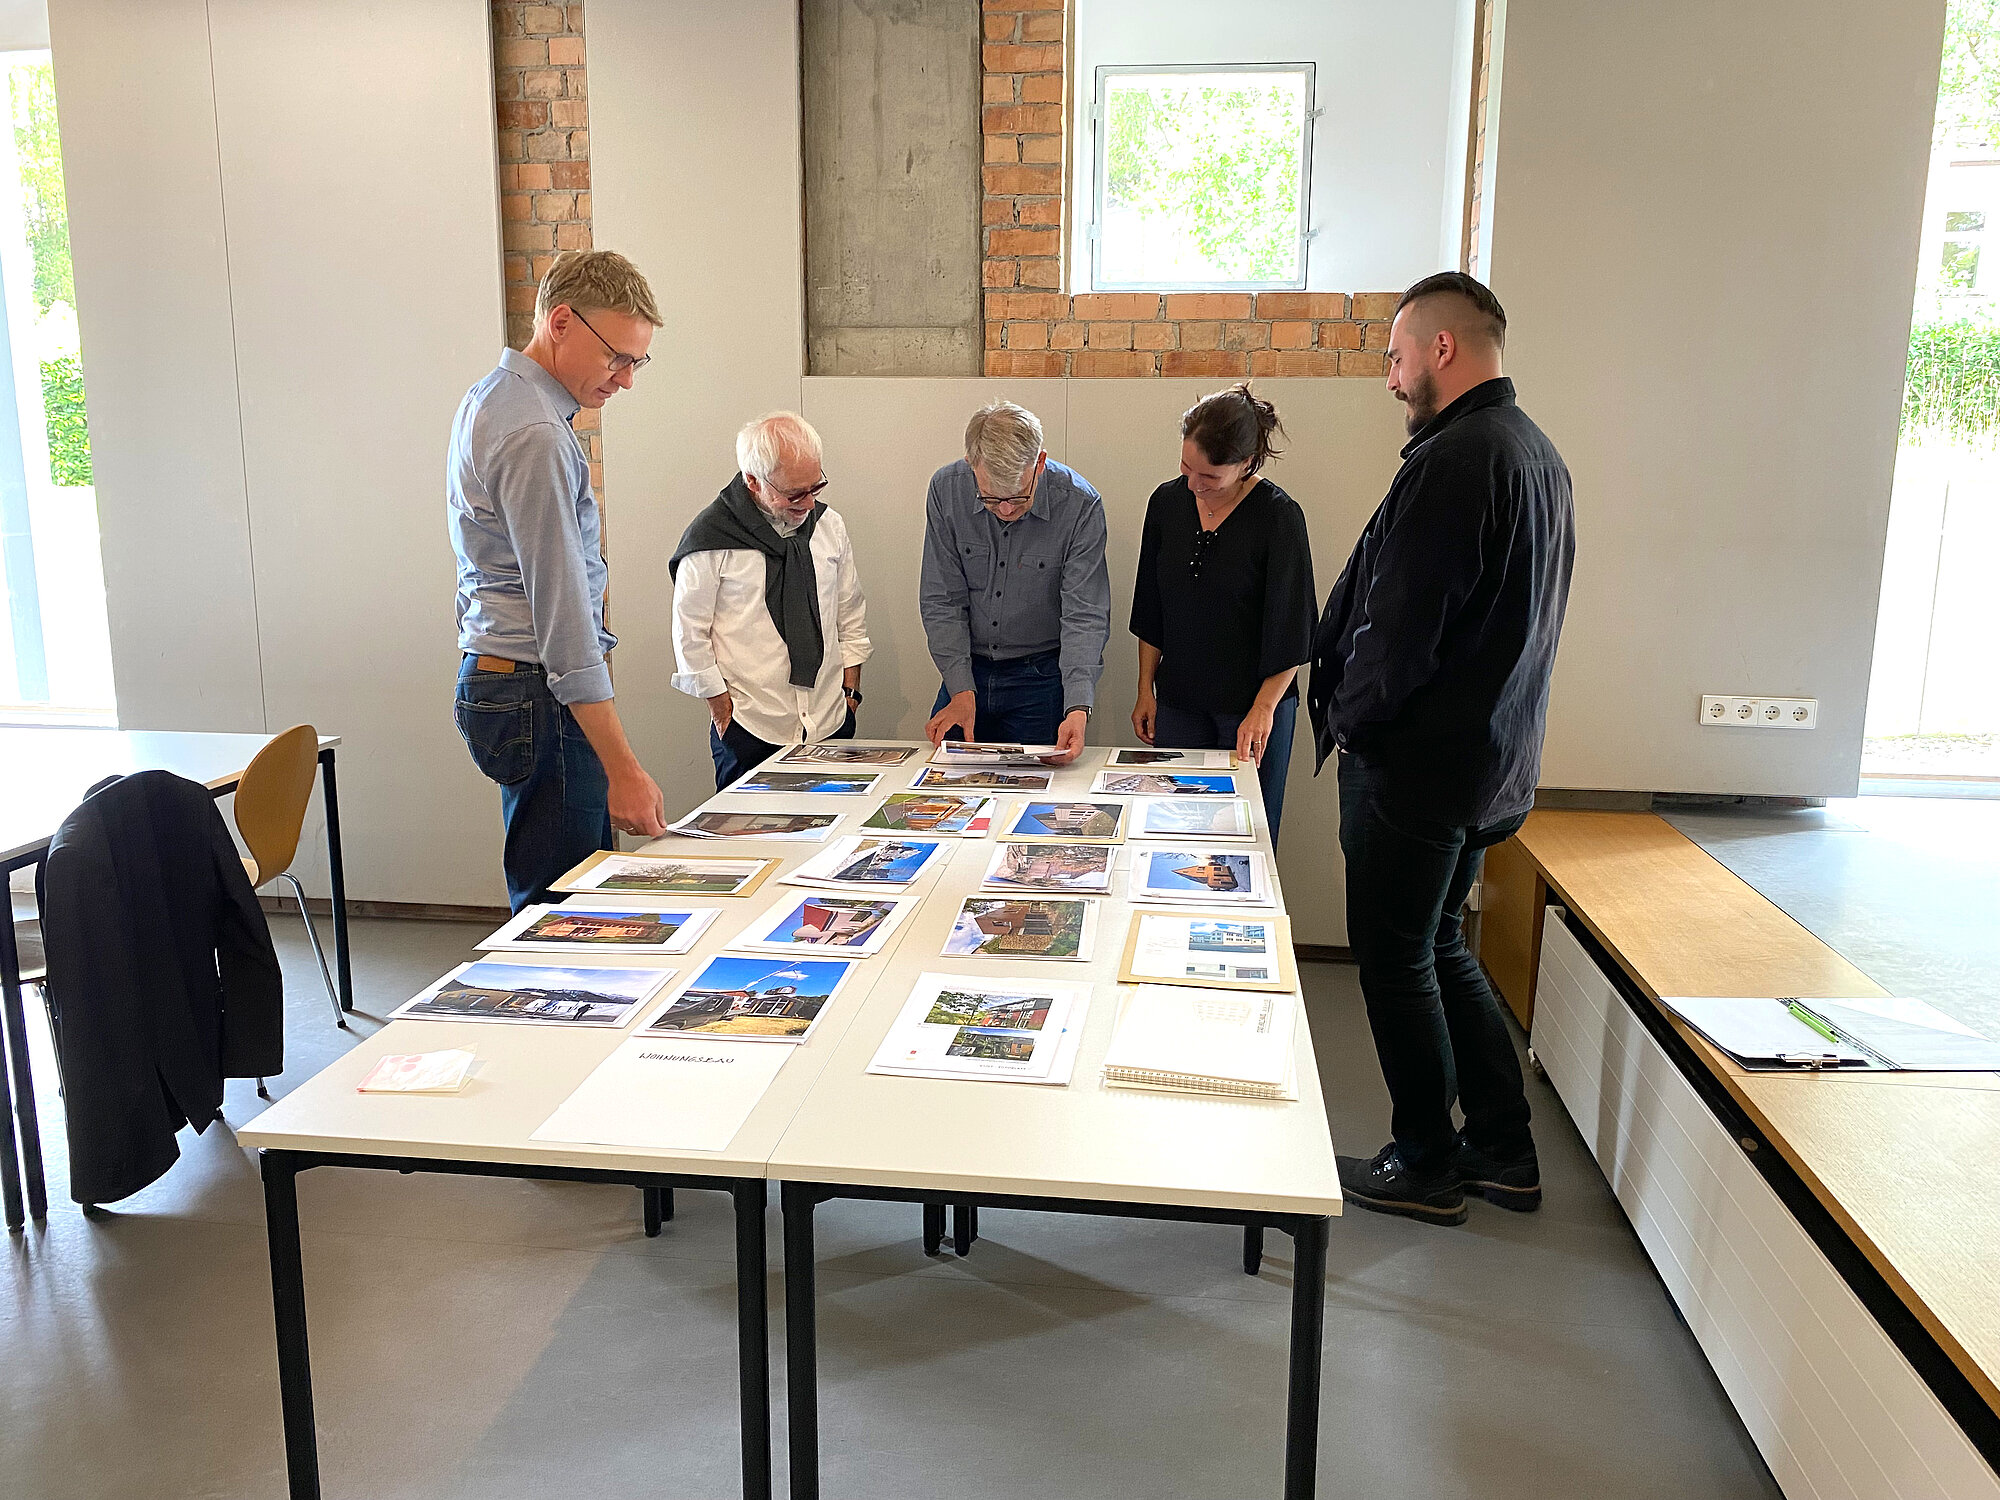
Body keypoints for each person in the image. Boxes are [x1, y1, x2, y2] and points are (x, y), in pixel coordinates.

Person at [1308, 271, 1575, 1226]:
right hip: (1485, 764)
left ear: (1441, 349)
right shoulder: (1536, 454)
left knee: (1395, 960)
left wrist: (1351, 723)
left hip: (1417, 772)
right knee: (1440, 950)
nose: (1390, 378)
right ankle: (1502, 1147)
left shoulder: (1458, 459)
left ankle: (1425, 1160)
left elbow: (1399, 630)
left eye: (1394, 355)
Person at [448, 249, 668, 913]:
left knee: (564, 901)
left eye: (638, 361)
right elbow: (564, 617)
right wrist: (623, 769)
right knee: (566, 917)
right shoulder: (534, 431)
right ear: (562, 322)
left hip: (512, 678)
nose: (626, 380)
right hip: (537, 689)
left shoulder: (498, 397)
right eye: (617, 358)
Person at [1129, 385, 1315, 843]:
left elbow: (1292, 626)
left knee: (1246, 838)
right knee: (1174, 834)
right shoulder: (1166, 504)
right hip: (1179, 702)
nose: (1194, 484)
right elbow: (1152, 606)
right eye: (1186, 467)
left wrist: (1263, 709)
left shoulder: (1279, 517)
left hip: (1252, 710)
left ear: (1247, 463)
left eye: (1209, 476)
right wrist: (1145, 690)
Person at [669, 412, 871, 789]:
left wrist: (851, 693)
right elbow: (690, 635)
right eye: (794, 493)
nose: (808, 504)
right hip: (751, 726)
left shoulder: (829, 527)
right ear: (752, 481)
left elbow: (849, 612)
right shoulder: (710, 540)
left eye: (816, 487)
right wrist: (722, 712)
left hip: (830, 718)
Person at [919, 400, 1110, 762]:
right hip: (967, 669)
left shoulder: (1080, 506)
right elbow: (942, 598)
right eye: (991, 498)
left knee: (1040, 794)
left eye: (1019, 496)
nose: (1006, 510)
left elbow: (1084, 615)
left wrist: (1078, 707)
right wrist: (960, 688)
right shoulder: (946, 490)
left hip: (1039, 676)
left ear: (1039, 463)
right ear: (971, 464)